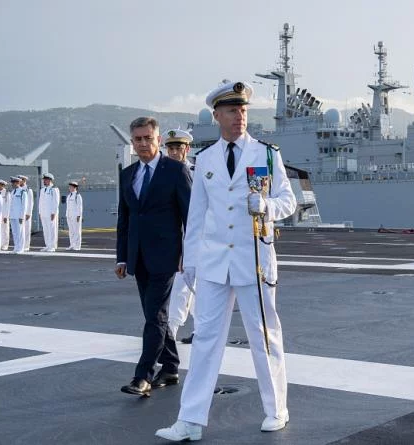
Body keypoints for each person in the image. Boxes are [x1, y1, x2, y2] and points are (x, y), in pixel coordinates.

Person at [156, 81, 297, 441]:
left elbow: (288, 201)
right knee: (204, 340)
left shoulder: (266, 154)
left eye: (244, 110)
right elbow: (197, 216)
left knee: (264, 336)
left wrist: (267, 206)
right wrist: (190, 263)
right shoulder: (204, 160)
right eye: (232, 111)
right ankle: (189, 420)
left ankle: (276, 409)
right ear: (217, 115)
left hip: (255, 260)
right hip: (216, 263)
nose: (240, 117)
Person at [115, 117, 191, 397]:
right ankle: (170, 367)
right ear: (132, 143)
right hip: (137, 256)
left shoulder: (176, 171)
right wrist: (121, 257)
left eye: (149, 138)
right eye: (138, 139)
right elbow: (125, 220)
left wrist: (188, 253)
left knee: (155, 317)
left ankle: (142, 376)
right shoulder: (128, 174)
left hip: (166, 255)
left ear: (158, 140)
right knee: (153, 315)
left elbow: (190, 216)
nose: (144, 143)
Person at [163, 127, 197, 343]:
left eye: (179, 147)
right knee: (182, 285)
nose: (175, 152)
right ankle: (175, 329)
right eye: (171, 148)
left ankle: (173, 330)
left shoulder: (198, 173)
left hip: (195, 238)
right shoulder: (161, 174)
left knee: (191, 286)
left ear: (187, 149)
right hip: (172, 239)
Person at [38, 173, 60, 252]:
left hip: (51, 213)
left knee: (52, 229)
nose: (44, 181)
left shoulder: (54, 189)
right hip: (44, 213)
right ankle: (47, 245)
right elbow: (40, 202)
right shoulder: (42, 190)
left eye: (45, 179)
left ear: (50, 180)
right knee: (46, 229)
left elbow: (56, 202)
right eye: (44, 179)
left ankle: (52, 246)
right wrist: (40, 212)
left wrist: (54, 212)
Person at [8, 176, 28, 254]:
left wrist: (22, 216)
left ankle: (21, 248)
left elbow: (24, 205)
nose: (12, 184)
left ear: (18, 183)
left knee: (20, 232)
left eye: (14, 183)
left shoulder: (23, 192)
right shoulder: (12, 192)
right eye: (12, 183)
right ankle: (16, 247)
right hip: (13, 215)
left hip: (19, 215)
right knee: (15, 232)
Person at [17, 175, 35, 251]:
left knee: (26, 229)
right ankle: (20, 244)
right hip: (19, 212)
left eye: (20, 180)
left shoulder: (28, 190)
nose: (19, 181)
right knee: (20, 230)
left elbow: (31, 202)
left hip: (26, 213)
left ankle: (26, 245)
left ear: (24, 180)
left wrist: (29, 213)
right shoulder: (18, 190)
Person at [65, 181, 83, 251]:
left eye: (71, 186)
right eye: (69, 186)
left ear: (75, 187)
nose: (70, 188)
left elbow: (80, 206)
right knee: (71, 231)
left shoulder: (77, 196)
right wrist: (67, 215)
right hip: (69, 215)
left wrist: (79, 215)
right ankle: (72, 244)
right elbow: (68, 206)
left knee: (77, 231)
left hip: (76, 216)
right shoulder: (69, 195)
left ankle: (77, 246)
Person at [0, 179, 11, 251]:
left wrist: (6, 216)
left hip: (4, 214)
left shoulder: (6, 193)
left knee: (5, 230)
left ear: (2, 185)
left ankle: (5, 245)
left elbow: (8, 205)